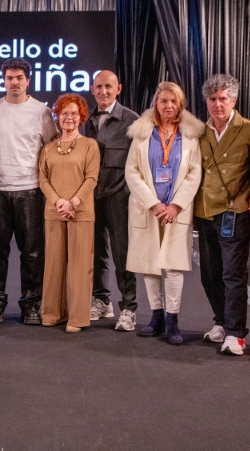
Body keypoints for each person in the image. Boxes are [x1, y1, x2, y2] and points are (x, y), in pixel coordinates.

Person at [125, 82, 204, 345]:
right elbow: (132, 172)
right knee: (150, 265)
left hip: (175, 211)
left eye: (173, 101)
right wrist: (152, 203)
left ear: (180, 104)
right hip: (148, 210)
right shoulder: (142, 133)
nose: (168, 106)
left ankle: (172, 321)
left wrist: (175, 205)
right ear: (156, 104)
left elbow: (194, 173)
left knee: (173, 265)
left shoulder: (190, 135)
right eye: (163, 101)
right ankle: (156, 316)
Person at [0, 58, 57, 325]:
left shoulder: (42, 112)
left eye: (19, 78)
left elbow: (51, 149)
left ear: (28, 81)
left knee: (33, 253)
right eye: (9, 78)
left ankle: (31, 305)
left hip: (31, 190)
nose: (14, 82)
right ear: (3, 81)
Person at [194, 74, 250, 356]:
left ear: (233, 100)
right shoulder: (199, 131)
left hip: (235, 210)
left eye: (223, 98)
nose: (218, 104)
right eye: (212, 99)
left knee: (232, 274)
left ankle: (236, 333)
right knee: (209, 274)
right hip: (205, 210)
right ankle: (221, 322)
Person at [39, 94, 100, 333]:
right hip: (54, 211)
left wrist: (73, 203)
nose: (69, 118)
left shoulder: (89, 145)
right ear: (58, 116)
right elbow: (43, 180)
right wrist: (58, 202)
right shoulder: (48, 148)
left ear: (81, 116)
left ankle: (77, 317)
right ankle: (52, 313)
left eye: (74, 113)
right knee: (53, 265)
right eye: (65, 113)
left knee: (80, 266)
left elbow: (91, 178)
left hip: (81, 212)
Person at [85, 70, 140, 330]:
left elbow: (141, 162)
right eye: (98, 87)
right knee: (96, 252)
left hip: (120, 197)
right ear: (92, 89)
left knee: (122, 253)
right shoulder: (86, 120)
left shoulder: (132, 121)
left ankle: (129, 308)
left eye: (108, 86)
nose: (103, 91)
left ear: (118, 88)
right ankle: (101, 301)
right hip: (92, 197)